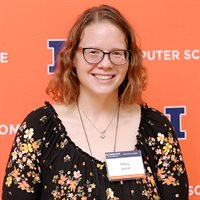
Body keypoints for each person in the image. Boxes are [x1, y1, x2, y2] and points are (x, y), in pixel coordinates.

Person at [2, 4, 188, 200]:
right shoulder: (39, 129)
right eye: (93, 52)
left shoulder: (157, 130)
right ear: (73, 57)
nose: (106, 64)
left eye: (117, 53)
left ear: (129, 60)